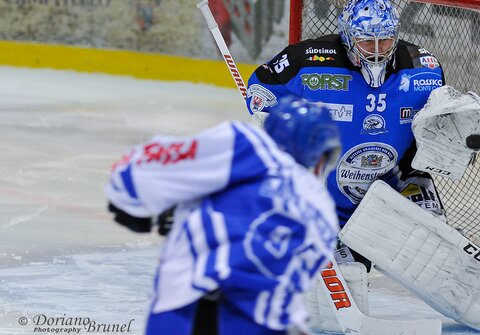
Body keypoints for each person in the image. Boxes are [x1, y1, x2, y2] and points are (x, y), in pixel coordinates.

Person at [105, 97, 343, 335]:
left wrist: (145, 208)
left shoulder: (249, 145)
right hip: (265, 324)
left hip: (189, 309)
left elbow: (132, 172)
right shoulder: (323, 211)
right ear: (321, 155)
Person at [246, 0, 447, 269]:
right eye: (366, 41)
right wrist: (271, 118)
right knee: (341, 273)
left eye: (385, 41)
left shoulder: (425, 68)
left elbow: (437, 126)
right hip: (320, 192)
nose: (376, 51)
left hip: (391, 188)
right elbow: (261, 89)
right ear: (348, 37)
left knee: (431, 237)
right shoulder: (306, 60)